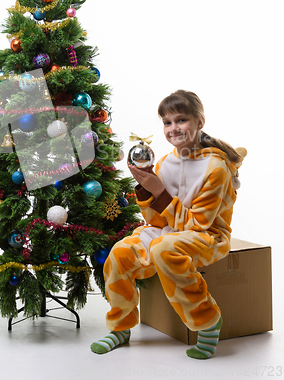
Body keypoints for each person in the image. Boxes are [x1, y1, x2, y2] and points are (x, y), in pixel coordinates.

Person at [90, 90, 247, 359]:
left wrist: (159, 192)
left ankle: (208, 323)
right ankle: (121, 327)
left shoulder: (216, 168)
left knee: (164, 248)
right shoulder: (164, 163)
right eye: (167, 122)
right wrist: (145, 190)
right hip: (169, 232)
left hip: (209, 237)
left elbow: (198, 225)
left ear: (200, 122)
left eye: (181, 120)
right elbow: (156, 221)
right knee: (119, 254)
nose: (174, 128)